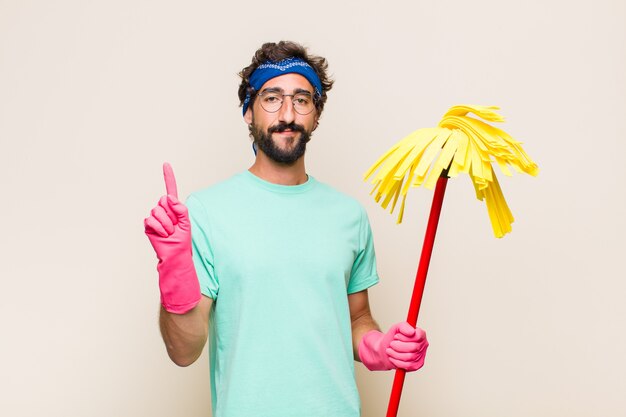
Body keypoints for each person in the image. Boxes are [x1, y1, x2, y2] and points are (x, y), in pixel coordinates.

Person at [144, 40, 429, 417]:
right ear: (249, 112)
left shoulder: (349, 215)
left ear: (315, 114)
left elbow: (357, 319)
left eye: (302, 99)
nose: (288, 114)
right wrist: (174, 274)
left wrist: (379, 347)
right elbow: (184, 351)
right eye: (272, 98)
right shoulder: (206, 211)